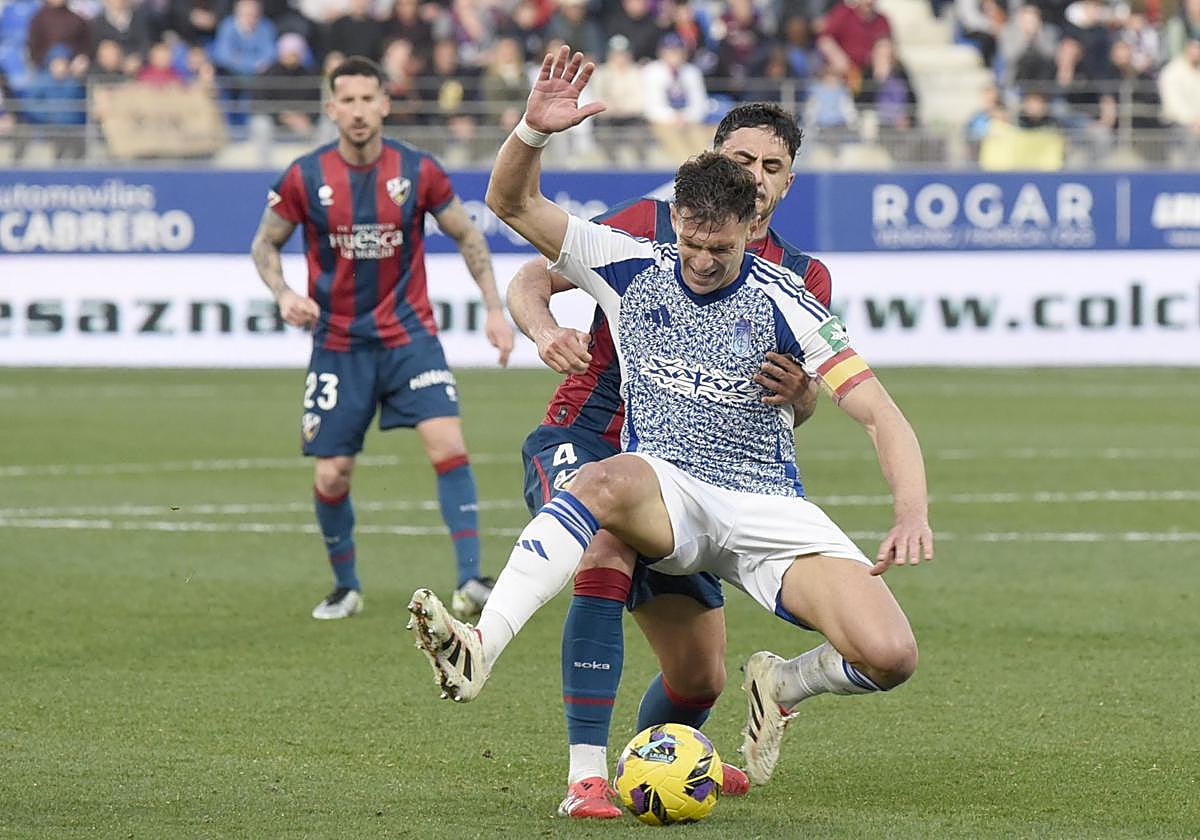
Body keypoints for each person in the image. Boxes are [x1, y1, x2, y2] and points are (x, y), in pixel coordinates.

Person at [409, 44, 932, 802]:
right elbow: (515, 207)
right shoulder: (629, 257)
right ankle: (483, 649)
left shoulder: (795, 296)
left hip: (766, 507)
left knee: (890, 655)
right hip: (669, 488)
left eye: (720, 248)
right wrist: (531, 131)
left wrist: (910, 510)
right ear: (678, 218)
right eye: (691, 241)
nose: (703, 260)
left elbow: (878, 410)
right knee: (606, 487)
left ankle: (784, 684)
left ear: (753, 227)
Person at [503, 100, 830, 818]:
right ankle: (584, 775)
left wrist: (803, 393)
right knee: (605, 538)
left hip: (688, 482)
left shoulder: (802, 278)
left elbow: (799, 408)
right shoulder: (654, 224)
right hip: (590, 437)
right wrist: (542, 328)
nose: (758, 176)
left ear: (789, 182)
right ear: (712, 161)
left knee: (699, 677)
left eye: (773, 167)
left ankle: (662, 765)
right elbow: (531, 275)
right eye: (743, 160)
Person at [250, 55, 514, 621]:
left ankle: (472, 579)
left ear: (385, 103)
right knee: (331, 473)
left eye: (368, 99)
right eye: (346, 100)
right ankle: (345, 586)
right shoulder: (304, 176)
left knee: (448, 444)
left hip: (409, 336)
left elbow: (468, 237)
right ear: (331, 108)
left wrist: (494, 309)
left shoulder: (418, 170)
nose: (359, 111)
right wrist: (284, 294)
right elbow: (264, 245)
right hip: (339, 343)